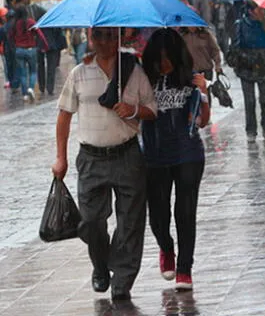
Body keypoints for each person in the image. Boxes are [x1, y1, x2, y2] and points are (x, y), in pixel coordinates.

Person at [51, 27, 157, 301]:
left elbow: (152, 109)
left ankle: (122, 280)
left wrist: (131, 109)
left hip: (127, 155)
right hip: (91, 159)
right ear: (91, 38)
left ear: (119, 39)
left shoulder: (133, 70)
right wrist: (60, 157)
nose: (106, 42)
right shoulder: (79, 72)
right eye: (100, 36)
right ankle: (100, 264)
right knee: (90, 222)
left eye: (112, 36)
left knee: (130, 223)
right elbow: (64, 116)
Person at [141, 28, 210, 290]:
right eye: (159, 58)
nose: (164, 63)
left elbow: (204, 120)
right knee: (158, 216)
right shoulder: (143, 80)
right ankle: (166, 247)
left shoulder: (190, 80)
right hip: (155, 156)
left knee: (185, 211)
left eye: (168, 57)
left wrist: (204, 92)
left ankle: (185, 268)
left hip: (188, 154)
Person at [228, 2, 265, 143]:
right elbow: (235, 46)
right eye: (259, 9)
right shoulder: (241, 24)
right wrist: (245, 57)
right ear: (251, 11)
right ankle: (251, 130)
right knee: (250, 101)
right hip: (246, 67)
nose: (262, 12)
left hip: (264, 66)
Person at [9, 6, 37, 101]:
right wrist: (44, 46)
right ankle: (31, 88)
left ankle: (24, 95)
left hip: (19, 50)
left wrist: (14, 46)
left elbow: (10, 37)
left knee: (23, 73)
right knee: (33, 71)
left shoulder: (14, 24)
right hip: (30, 50)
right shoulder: (31, 22)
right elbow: (39, 33)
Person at [36, 27, 67, 95]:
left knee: (41, 66)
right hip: (52, 43)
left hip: (40, 43)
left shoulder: (36, 18)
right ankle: (49, 88)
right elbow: (58, 31)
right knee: (51, 67)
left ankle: (42, 87)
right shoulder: (52, 19)